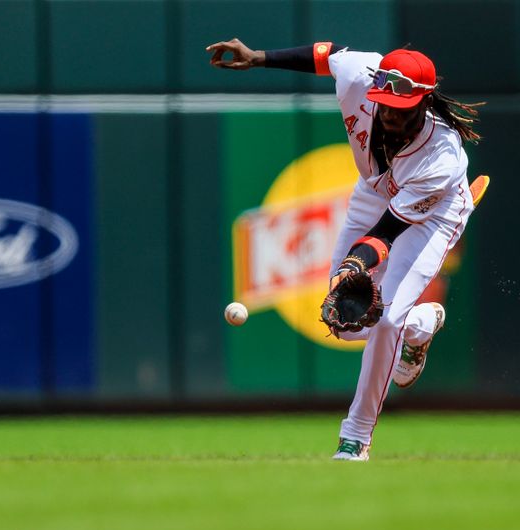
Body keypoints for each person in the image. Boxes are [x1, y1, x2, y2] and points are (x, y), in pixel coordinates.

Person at [207, 38, 483, 461]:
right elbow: (324, 55)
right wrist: (259, 58)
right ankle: (421, 325)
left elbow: (388, 232)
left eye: (401, 106)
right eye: (384, 101)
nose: (389, 111)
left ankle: (355, 436)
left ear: (423, 102)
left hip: (434, 213)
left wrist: (358, 261)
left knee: (387, 320)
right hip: (373, 190)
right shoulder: (360, 75)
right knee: (345, 317)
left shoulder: (439, 157)